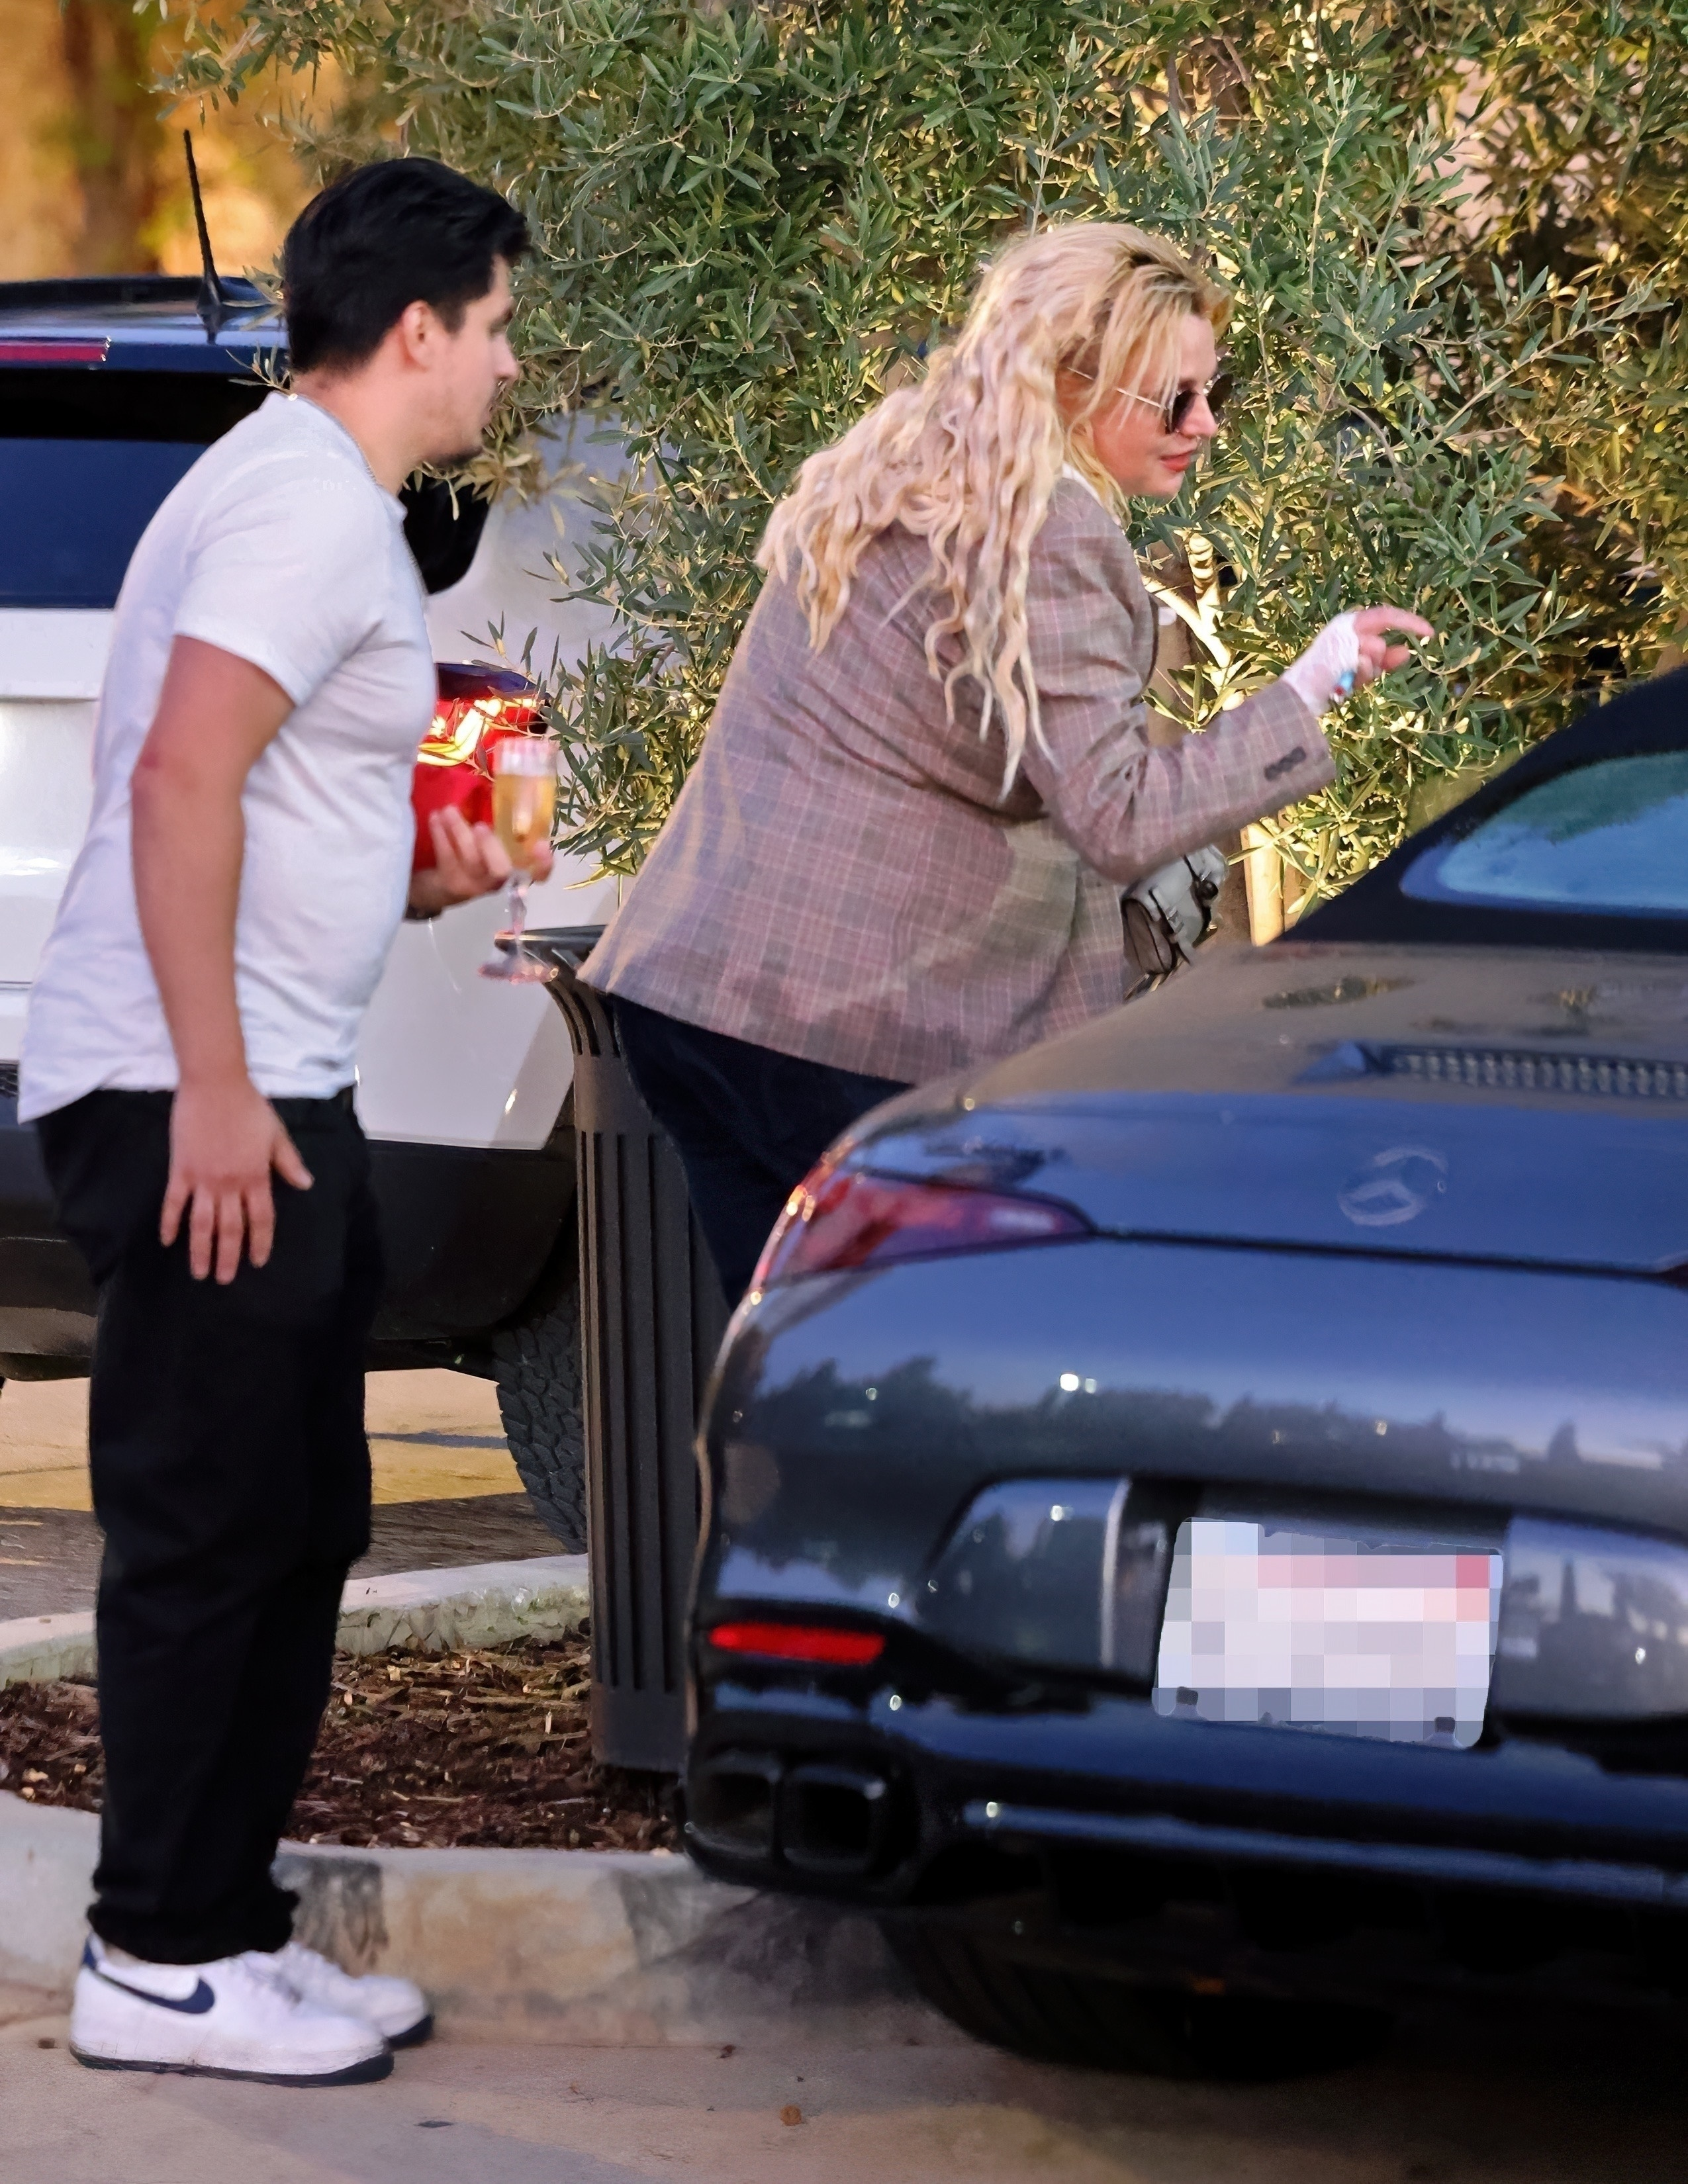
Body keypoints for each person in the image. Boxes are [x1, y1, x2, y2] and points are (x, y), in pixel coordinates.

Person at [19, 158, 551, 2086]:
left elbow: (261, 804)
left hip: (259, 1074)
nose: (501, 364)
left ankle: (223, 1924)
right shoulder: (309, 511)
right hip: (197, 1089)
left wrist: (416, 881)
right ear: (416, 330)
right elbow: (174, 783)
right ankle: (153, 1952)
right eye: (492, 328)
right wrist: (219, 1095)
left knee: (298, 1516)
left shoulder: (296, 496)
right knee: (208, 1529)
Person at [583, 222, 1433, 1306]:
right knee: (938, 1377)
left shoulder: (903, 466)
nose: (1203, 425)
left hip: (697, 999)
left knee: (790, 1386)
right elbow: (1115, 815)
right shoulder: (1050, 525)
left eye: (1208, 392)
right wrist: (1306, 692)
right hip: (843, 1029)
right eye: (1172, 400)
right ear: (1071, 384)